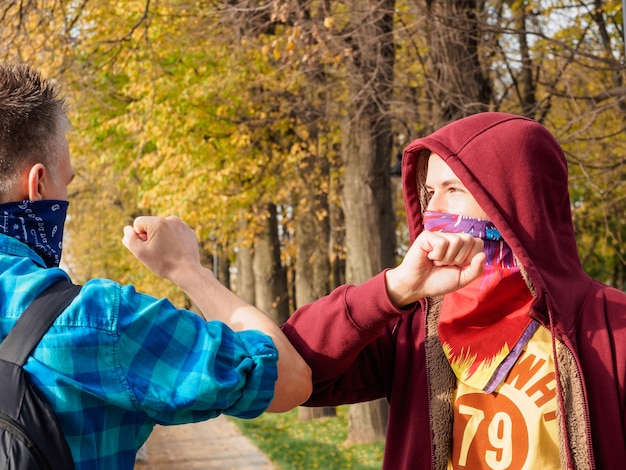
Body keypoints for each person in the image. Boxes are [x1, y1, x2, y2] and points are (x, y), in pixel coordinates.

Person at [0, 62, 311, 469]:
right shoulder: (94, 321)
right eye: (67, 182)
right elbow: (288, 378)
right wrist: (188, 270)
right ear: (37, 185)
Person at [281, 112, 626, 469]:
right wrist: (395, 289)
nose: (434, 210)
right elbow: (296, 367)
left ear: (514, 200)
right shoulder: (413, 330)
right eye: (430, 192)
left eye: (455, 190)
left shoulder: (613, 326)